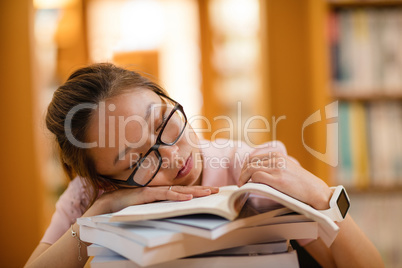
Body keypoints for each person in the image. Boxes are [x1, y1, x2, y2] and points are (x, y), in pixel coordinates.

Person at [25, 63, 383, 268]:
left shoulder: (248, 171)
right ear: (108, 181)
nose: (173, 157)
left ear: (169, 99)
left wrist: (321, 196)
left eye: (165, 122)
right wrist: (96, 218)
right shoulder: (91, 195)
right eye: (137, 161)